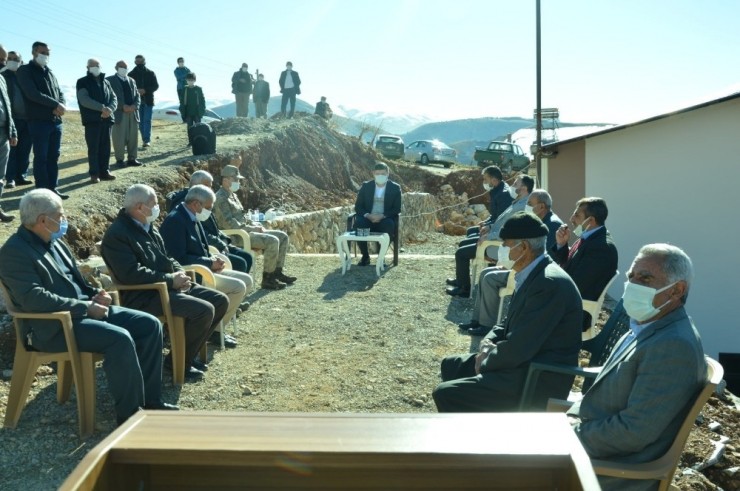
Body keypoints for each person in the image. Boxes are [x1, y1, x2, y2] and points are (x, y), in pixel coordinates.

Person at [0, 189, 177, 425]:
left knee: (149, 324)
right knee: (120, 338)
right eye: (60, 216)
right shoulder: (14, 252)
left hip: (82, 312)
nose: (64, 221)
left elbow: (78, 283)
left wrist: (97, 295)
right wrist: (85, 307)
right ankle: (130, 416)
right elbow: (33, 299)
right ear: (43, 220)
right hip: (53, 326)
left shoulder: (55, 241)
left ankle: (150, 400)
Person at [568, 244, 706, 491]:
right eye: (631, 276)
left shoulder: (673, 345)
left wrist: (570, 435)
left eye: (645, 278)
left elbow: (633, 432)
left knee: (499, 470)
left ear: (677, 290)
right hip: (592, 446)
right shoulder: (648, 326)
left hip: (609, 469)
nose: (632, 284)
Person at [433, 212, 583, 412]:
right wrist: (487, 344)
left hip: (538, 376)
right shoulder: (532, 273)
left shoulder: (548, 284)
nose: (501, 249)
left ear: (523, 247)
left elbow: (521, 345)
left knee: (446, 394)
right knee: (451, 365)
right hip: (523, 363)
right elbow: (506, 323)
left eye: (505, 244)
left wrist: (486, 359)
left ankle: (478, 439)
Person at [101, 184, 229, 381]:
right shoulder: (117, 234)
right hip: (144, 295)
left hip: (167, 287)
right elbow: (131, 274)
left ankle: (183, 356)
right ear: (139, 207)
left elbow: (168, 257)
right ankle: (180, 363)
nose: (157, 207)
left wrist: (180, 274)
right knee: (203, 310)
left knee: (220, 301)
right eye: (153, 204)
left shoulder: (147, 225)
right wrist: (170, 280)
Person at [460, 189, 564, 336]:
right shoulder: (539, 220)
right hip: (523, 264)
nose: (527, 206)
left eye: (530, 203)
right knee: (485, 273)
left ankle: (487, 325)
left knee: (490, 278)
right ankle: (477, 320)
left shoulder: (552, 225)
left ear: (541, 206)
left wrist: (513, 264)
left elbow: (543, 254)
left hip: (530, 270)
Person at [160, 184, 253, 349]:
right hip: (193, 273)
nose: (210, 211)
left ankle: (215, 329)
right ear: (196, 204)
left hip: (204, 268)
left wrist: (213, 258)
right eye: (209, 207)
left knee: (246, 279)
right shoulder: (175, 221)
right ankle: (213, 331)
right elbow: (178, 257)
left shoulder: (191, 215)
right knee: (237, 287)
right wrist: (209, 262)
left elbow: (201, 247)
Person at [446, 175, 533, 297]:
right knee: (463, 246)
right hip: (494, 239)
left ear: (524, 188)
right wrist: (489, 227)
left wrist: (488, 237)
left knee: (461, 253)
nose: (512, 186)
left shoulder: (522, 206)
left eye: (515, 184)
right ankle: (461, 281)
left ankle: (464, 289)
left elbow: (509, 232)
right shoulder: (518, 201)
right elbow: (502, 222)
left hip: (499, 245)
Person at [213, 165, 297, 290]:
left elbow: (243, 218)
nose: (238, 182)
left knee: (282, 236)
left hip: (245, 231)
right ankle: (268, 279)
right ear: (225, 180)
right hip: (236, 236)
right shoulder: (220, 198)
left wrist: (255, 225)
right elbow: (229, 224)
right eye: (235, 179)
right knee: (272, 241)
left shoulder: (232, 195)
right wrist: (251, 229)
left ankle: (276, 273)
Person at [166, 169, 253, 274]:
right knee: (240, 263)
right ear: (197, 186)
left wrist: (224, 241)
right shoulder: (191, 206)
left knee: (247, 257)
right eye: (208, 186)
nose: (211, 189)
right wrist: (219, 247)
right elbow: (199, 235)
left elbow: (213, 227)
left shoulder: (204, 200)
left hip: (214, 245)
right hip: (208, 249)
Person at [550, 197, 619, 329]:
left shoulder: (602, 247)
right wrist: (561, 244)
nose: (571, 219)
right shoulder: (589, 238)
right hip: (566, 303)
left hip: (575, 312)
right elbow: (569, 266)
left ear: (591, 220)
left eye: (576, 215)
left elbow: (576, 284)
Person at [16, 41, 68, 199]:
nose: (45, 56)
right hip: (38, 121)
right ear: (34, 52)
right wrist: (55, 104)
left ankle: (53, 188)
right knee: (42, 157)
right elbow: (32, 93)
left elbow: (59, 92)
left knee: (54, 156)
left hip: (55, 121)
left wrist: (61, 104)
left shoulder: (50, 72)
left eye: (47, 53)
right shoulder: (25, 70)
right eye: (42, 52)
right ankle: (42, 191)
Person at [353, 162, 402, 266]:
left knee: (389, 225)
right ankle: (365, 256)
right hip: (368, 218)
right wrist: (368, 215)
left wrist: (382, 216)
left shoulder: (395, 188)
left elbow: (396, 209)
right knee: (358, 224)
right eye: (378, 173)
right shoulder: (366, 186)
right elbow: (358, 206)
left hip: (384, 218)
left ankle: (381, 257)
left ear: (388, 174)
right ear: (373, 173)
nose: (380, 176)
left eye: (383, 174)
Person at [76, 58, 117, 183]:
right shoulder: (82, 82)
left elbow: (114, 98)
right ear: (87, 67)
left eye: (97, 65)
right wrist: (101, 108)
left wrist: (109, 109)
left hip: (107, 119)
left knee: (105, 147)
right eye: (92, 66)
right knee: (93, 148)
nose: (95, 68)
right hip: (92, 120)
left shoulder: (106, 82)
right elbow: (84, 100)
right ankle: (94, 173)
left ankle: (105, 171)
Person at [1, 50, 34, 189]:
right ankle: (10, 178)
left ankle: (21, 176)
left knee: (25, 149)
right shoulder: (3, 76)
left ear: (21, 62)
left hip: (28, 119)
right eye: (10, 58)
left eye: (16, 59)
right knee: (12, 150)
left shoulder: (26, 76)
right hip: (12, 120)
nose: (13, 61)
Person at [106, 60, 142, 167]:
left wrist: (135, 106)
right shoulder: (109, 80)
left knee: (133, 137)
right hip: (119, 113)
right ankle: (120, 160)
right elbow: (109, 97)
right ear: (116, 67)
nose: (124, 69)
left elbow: (137, 96)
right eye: (121, 67)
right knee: (119, 138)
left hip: (133, 113)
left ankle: (132, 158)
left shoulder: (132, 80)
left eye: (125, 67)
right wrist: (122, 106)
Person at [0, 52, 18, 222]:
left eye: (4, 59)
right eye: (1, 59)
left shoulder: (2, 79)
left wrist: (12, 131)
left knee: (0, 174)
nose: (4, 62)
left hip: (3, 133)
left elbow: (7, 107)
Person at [128, 55, 158, 148]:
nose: (139, 63)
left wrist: (145, 90)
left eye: (141, 61)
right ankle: (144, 139)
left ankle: (146, 140)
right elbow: (128, 88)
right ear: (135, 62)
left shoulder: (151, 73)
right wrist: (137, 91)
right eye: (138, 61)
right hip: (136, 101)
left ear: (144, 61)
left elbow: (155, 86)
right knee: (140, 121)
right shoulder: (131, 74)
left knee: (147, 120)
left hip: (148, 100)